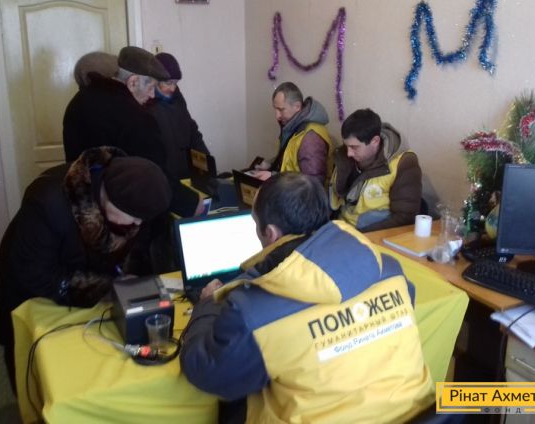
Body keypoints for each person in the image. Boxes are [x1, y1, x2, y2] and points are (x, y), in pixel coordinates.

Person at [180, 173, 434, 424]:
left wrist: (207, 305)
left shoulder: (252, 311)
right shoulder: (389, 268)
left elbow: (205, 372)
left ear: (271, 233)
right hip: (421, 412)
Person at [0, 147, 172, 391]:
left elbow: (135, 249)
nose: (137, 224)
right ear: (106, 196)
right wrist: (104, 287)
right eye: (132, 217)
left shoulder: (133, 198)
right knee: (30, 364)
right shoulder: (48, 202)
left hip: (84, 286)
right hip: (29, 287)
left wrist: (126, 279)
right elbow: (34, 274)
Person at [63, 46, 202, 217]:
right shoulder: (136, 117)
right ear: (133, 82)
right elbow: (154, 177)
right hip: (121, 212)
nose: (152, 95)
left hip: (81, 205)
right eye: (151, 87)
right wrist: (190, 203)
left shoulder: (79, 101)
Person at [330, 108, 422, 232]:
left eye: (354, 147)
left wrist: (361, 235)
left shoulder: (404, 163)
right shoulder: (344, 155)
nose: (349, 153)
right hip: (341, 227)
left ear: (375, 141)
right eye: (346, 146)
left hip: (371, 234)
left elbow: (404, 217)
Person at [253, 82, 333, 186]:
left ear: (297, 106)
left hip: (295, 194)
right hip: (286, 189)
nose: (277, 116)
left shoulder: (311, 138)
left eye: (281, 109)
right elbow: (290, 160)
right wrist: (270, 164)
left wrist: (273, 177)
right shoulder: (292, 126)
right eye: (275, 109)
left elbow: (312, 185)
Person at [147, 52, 210, 180]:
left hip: (186, 174)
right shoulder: (146, 104)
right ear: (154, 80)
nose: (172, 88)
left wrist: (206, 165)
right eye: (168, 83)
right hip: (164, 178)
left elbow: (192, 130)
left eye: (175, 83)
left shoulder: (177, 97)